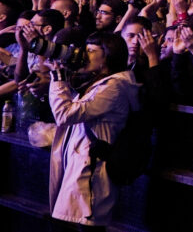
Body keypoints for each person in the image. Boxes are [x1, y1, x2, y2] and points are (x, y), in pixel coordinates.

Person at [47, 31, 140, 230]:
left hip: (92, 173)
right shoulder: (99, 83)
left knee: (88, 226)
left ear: (108, 54)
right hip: (82, 167)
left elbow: (65, 114)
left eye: (90, 51)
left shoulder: (114, 86)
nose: (84, 55)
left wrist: (58, 79)